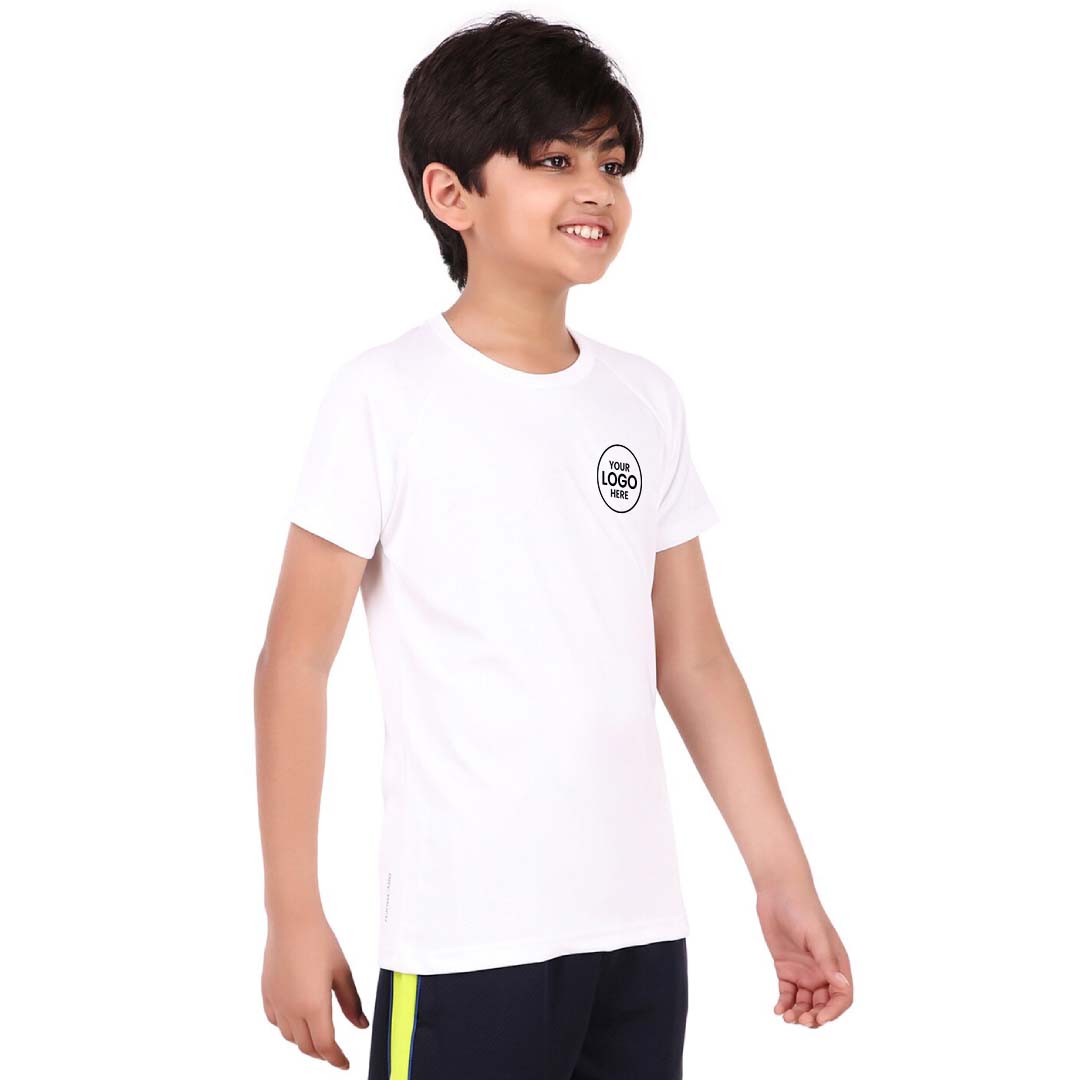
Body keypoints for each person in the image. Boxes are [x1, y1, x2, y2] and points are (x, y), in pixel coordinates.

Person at [254, 10, 853, 1076]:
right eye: (553, 161)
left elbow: (695, 661)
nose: (596, 191)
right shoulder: (384, 398)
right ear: (452, 195)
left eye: (611, 164)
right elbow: (295, 661)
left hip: (638, 932)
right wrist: (293, 913)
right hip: (466, 939)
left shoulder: (643, 400)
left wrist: (781, 874)